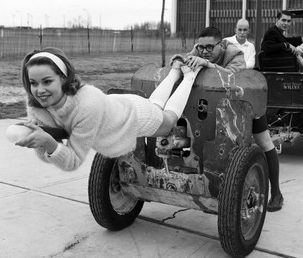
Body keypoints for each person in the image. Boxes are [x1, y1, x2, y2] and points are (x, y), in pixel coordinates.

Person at [15, 47, 199, 172]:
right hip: (118, 105)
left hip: (132, 115)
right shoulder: (36, 104)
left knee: (167, 122)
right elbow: (49, 154)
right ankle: (175, 71)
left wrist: (47, 140)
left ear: (63, 79)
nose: (39, 90)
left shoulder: (86, 105)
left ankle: (189, 75)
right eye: (33, 83)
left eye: (47, 81)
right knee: (156, 106)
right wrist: (40, 138)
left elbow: (71, 160)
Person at [182, 27, 284, 212]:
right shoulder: (199, 50)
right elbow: (188, 63)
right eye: (201, 47)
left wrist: (207, 64)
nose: (204, 51)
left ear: (221, 45)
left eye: (209, 47)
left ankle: (276, 193)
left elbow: (232, 78)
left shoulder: (236, 54)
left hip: (244, 101)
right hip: (211, 101)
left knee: (265, 143)